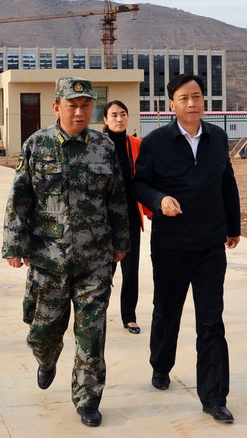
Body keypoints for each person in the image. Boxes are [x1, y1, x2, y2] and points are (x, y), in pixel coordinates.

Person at [2, 77, 129, 427]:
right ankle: (46, 358)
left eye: (86, 105)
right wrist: (14, 244)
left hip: (95, 259)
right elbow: (20, 197)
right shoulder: (37, 144)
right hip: (48, 259)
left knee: (92, 334)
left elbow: (117, 198)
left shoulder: (103, 147)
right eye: (72, 105)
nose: (79, 112)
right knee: (42, 331)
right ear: (56, 107)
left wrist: (121, 242)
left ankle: (87, 399)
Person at [133, 73, 241, 423]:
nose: (192, 103)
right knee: (167, 310)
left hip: (210, 244)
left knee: (211, 321)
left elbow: (227, 181)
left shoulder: (217, 137)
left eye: (197, 96)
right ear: (172, 105)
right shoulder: (156, 142)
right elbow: (139, 184)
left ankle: (213, 396)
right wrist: (159, 200)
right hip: (171, 245)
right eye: (184, 98)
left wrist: (233, 227)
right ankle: (161, 364)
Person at [102, 100, 150, 334]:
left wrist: (150, 210)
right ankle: (95, 315)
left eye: (123, 114)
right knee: (104, 270)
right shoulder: (97, 145)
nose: (119, 119)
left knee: (131, 270)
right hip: (104, 220)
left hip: (130, 216)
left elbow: (147, 178)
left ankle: (129, 317)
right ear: (105, 120)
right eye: (114, 115)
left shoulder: (137, 144)